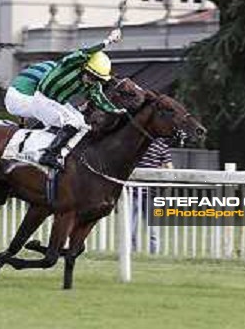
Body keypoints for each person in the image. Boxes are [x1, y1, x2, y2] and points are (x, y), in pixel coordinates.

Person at [30, 28, 126, 170]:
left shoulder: (92, 85)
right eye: (91, 75)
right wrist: (109, 41)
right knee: (73, 122)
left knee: (83, 124)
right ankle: (48, 155)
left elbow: (101, 100)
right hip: (42, 100)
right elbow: (86, 52)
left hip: (56, 103)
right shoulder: (70, 63)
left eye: (97, 79)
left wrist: (116, 111)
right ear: (84, 66)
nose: (92, 81)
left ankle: (65, 154)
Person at [131, 138, 173, 254]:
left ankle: (152, 254)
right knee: (132, 229)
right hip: (136, 192)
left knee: (151, 230)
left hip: (151, 194)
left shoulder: (161, 146)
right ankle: (133, 253)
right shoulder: (139, 144)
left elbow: (169, 169)